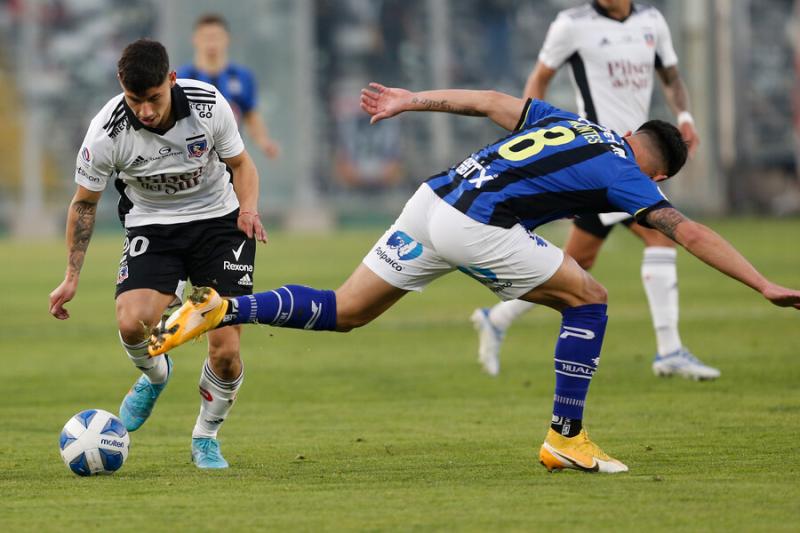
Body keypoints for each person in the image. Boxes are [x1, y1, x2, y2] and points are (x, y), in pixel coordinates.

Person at [147, 83, 800, 474]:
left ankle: (225, 308)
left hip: (433, 198)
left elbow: (488, 101)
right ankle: (566, 438)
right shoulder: (629, 175)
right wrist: (763, 284)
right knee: (591, 299)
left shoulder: (571, 122)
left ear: (627, 131)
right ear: (656, 173)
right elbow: (689, 231)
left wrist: (411, 101)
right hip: (475, 224)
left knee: (348, 309)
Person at [48, 39, 268, 469]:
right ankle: (155, 375)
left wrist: (249, 209)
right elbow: (84, 204)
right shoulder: (106, 132)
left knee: (225, 351)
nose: (145, 111)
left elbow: (242, 164)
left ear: (171, 80)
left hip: (219, 223)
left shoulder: (208, 105)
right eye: (135, 100)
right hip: (152, 225)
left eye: (154, 98)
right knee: (132, 323)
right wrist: (71, 276)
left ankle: (206, 437)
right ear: (121, 86)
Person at [470, 0, 715, 380]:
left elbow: (670, 77)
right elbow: (539, 78)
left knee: (579, 261)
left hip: (634, 160)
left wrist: (684, 117)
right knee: (661, 237)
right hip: (597, 162)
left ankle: (497, 318)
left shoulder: (652, 20)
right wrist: (532, 137)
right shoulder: (571, 24)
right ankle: (669, 351)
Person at [177, 13, 280, 160]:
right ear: (195, 39)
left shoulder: (243, 77)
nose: (211, 43)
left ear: (227, 39)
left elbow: (250, 115)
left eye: (216, 37)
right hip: (193, 159)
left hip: (230, 158)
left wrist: (264, 142)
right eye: (206, 37)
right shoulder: (182, 78)